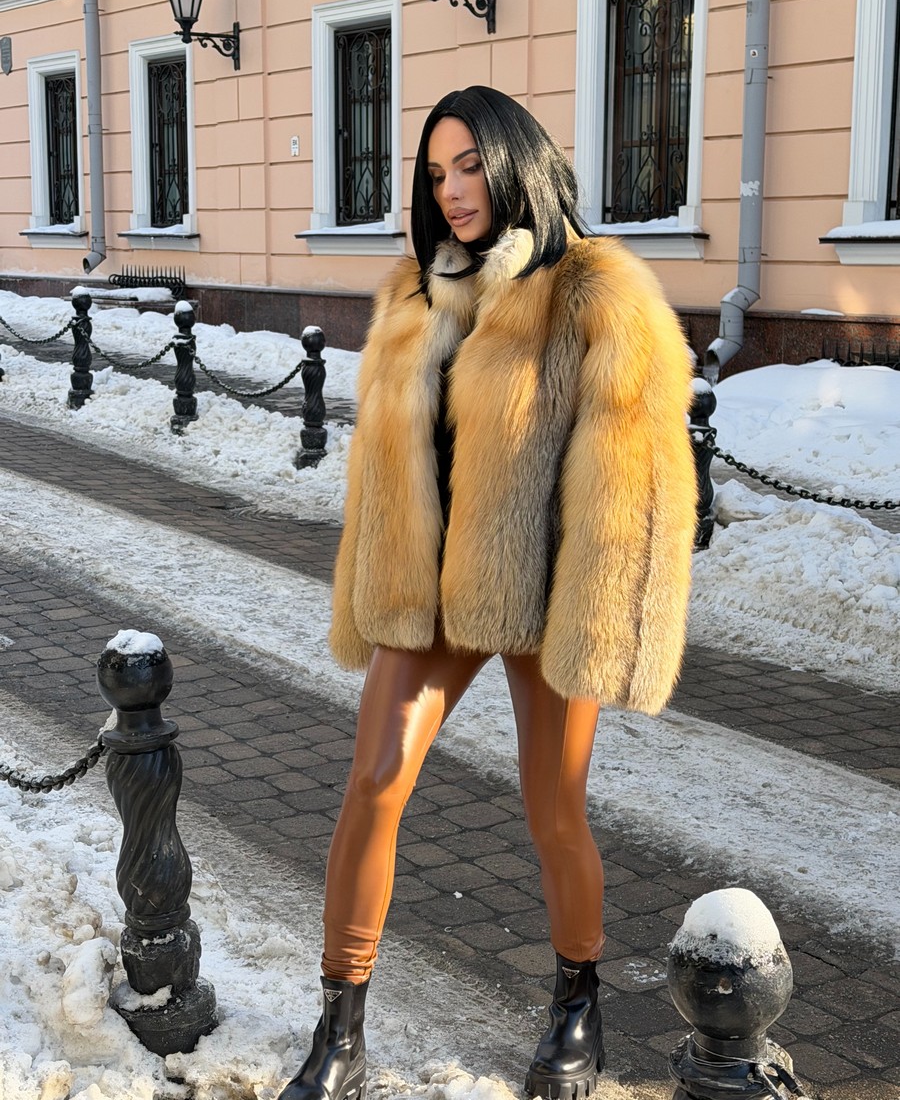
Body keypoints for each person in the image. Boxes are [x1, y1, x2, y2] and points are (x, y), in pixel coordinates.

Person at [279, 86, 696, 1100]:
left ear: (515, 163)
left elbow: (634, 482)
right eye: (436, 175)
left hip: (546, 592)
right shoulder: (414, 294)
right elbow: (383, 474)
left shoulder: (594, 292)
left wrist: (598, 624)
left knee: (553, 808)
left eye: (470, 166)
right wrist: (378, 580)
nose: (454, 191)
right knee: (375, 778)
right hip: (431, 594)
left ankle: (577, 1003)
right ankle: (340, 1027)